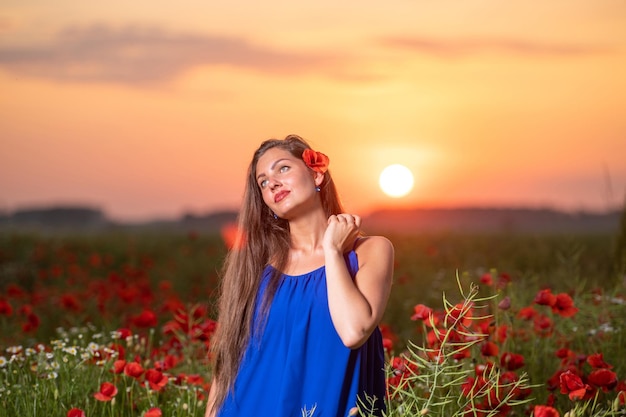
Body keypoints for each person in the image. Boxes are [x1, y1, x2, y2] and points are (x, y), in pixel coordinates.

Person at [205, 134, 394, 417]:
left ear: (316, 174)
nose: (273, 184)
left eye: (282, 169)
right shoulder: (255, 269)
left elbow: (354, 331)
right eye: (263, 183)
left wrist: (332, 250)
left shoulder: (371, 251)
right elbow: (227, 368)